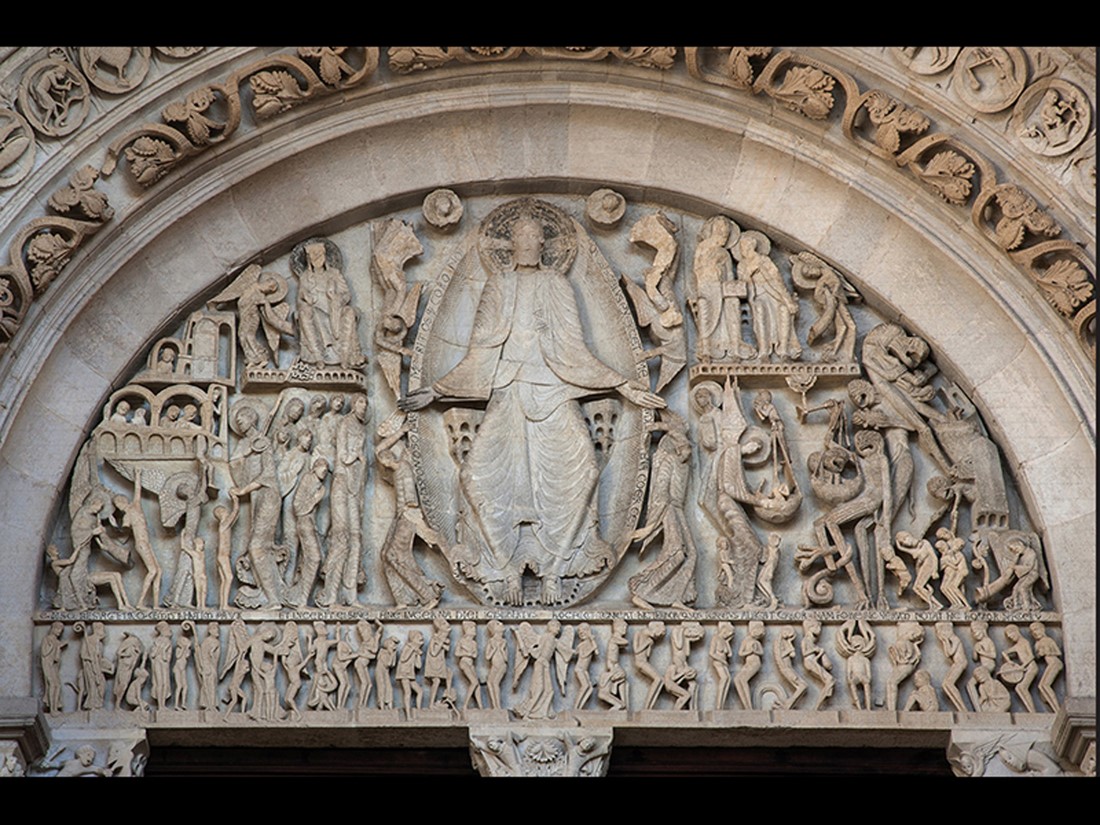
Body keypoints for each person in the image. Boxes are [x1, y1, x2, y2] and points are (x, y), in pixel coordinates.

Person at [402, 209, 664, 605]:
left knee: (586, 471)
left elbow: (575, 349)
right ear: (510, 246)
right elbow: (479, 351)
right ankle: (502, 568)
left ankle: (558, 566)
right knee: (475, 478)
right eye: (519, 239)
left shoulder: (557, 284)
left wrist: (624, 386)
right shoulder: (498, 285)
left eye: (533, 238)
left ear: (543, 245)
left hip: (553, 393)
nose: (526, 245)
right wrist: (436, 391)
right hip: (507, 395)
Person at [292, 239, 365, 369]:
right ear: (309, 259)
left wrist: (336, 299)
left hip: (334, 310)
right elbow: (299, 300)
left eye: (320, 255)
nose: (317, 259)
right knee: (305, 313)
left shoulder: (334, 274)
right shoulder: (305, 277)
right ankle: (318, 355)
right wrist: (306, 299)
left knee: (349, 312)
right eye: (314, 256)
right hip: (315, 311)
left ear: (325, 256)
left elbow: (346, 294)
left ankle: (345, 355)